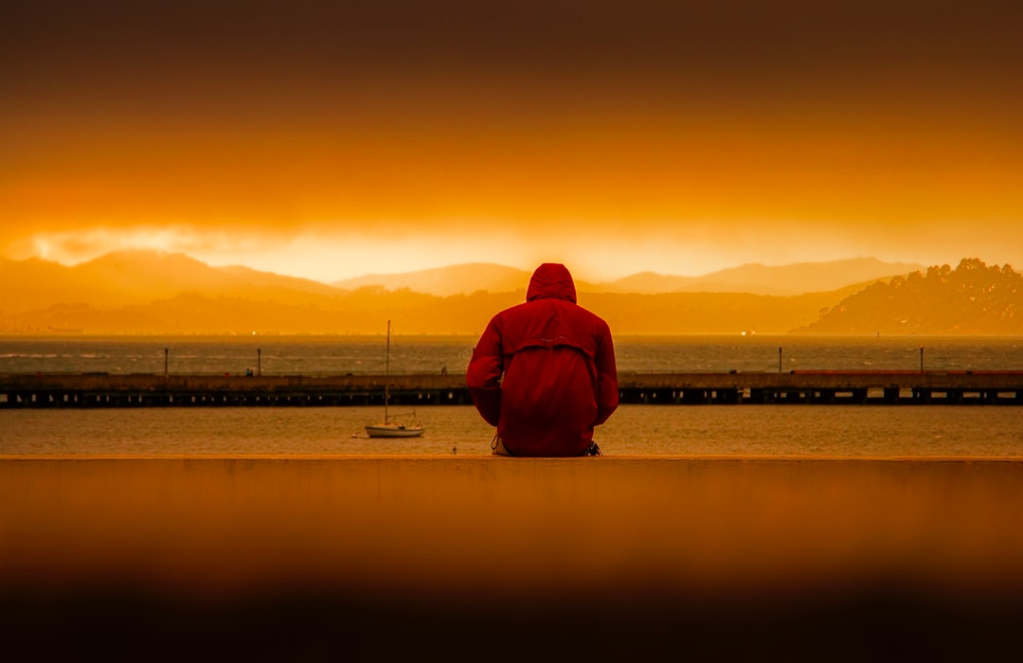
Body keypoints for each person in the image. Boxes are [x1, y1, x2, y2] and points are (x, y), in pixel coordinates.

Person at [466, 263, 618, 457]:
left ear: (532, 288)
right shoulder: (597, 326)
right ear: (571, 289)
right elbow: (608, 395)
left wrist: (502, 418)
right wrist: (582, 421)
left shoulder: (503, 321)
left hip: (516, 441)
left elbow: (479, 380)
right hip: (574, 442)